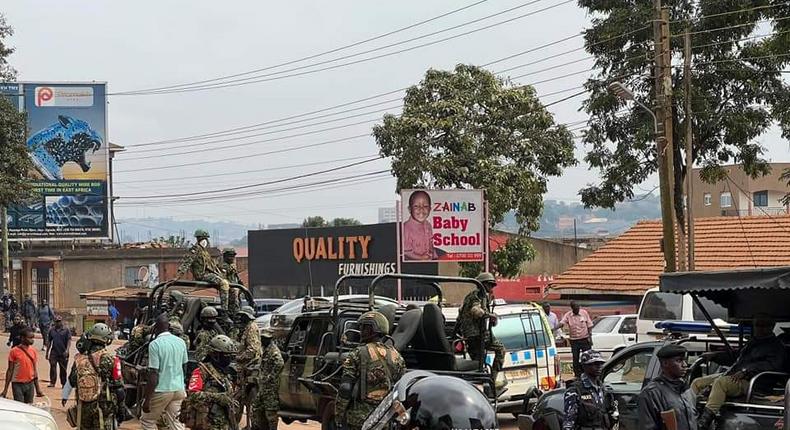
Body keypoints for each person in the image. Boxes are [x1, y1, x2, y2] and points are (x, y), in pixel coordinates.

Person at [692, 315, 785, 429]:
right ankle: (691, 414)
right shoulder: (753, 342)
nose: (760, 328)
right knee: (697, 383)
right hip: (737, 376)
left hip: (755, 382)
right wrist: (714, 356)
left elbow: (773, 365)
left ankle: (704, 422)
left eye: (764, 325)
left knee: (721, 382)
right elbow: (736, 357)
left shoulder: (776, 346)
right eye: (758, 325)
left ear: (772, 327)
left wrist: (746, 370)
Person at [335, 311, 405, 430]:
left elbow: (345, 388)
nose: (361, 331)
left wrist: (339, 415)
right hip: (385, 418)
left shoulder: (357, 353)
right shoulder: (396, 355)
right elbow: (400, 387)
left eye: (364, 328)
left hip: (360, 418)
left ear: (373, 330)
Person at [67, 323, 123, 430]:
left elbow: (72, 381)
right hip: (103, 409)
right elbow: (119, 388)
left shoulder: (79, 359)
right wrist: (121, 409)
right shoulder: (112, 360)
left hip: (83, 408)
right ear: (106, 340)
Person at [457, 272, 506, 389]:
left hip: (478, 334)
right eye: (489, 285)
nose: (491, 288)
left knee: (479, 364)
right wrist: (489, 315)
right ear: (483, 285)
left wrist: (491, 318)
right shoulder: (476, 296)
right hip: (475, 335)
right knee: (498, 351)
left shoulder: (481, 296)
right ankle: (491, 381)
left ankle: (488, 382)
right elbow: (475, 310)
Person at [181, 334, 239, 430]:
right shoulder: (201, 371)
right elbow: (193, 395)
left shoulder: (225, 373)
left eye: (230, 355)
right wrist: (217, 397)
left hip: (224, 422)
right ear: (215, 354)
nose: (228, 358)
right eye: (226, 355)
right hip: (206, 423)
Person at [141, 314, 188, 430]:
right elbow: (185, 367)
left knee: (148, 420)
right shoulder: (181, 342)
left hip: (161, 390)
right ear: (168, 326)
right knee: (175, 423)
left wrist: (147, 400)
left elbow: (154, 374)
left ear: (155, 328)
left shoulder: (155, 344)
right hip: (179, 389)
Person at [638, 344, 696, 430]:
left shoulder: (686, 390)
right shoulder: (651, 393)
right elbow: (647, 426)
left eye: (684, 360)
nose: (684, 365)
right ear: (665, 363)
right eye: (679, 361)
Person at [563, 350, 618, 430]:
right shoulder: (575, 390)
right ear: (584, 366)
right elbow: (569, 422)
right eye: (595, 364)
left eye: (601, 364)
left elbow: (613, 415)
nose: (599, 367)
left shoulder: (603, 389)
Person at [177, 229, 231, 311]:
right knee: (224, 283)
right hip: (203, 275)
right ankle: (225, 311)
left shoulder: (205, 252)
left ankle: (231, 309)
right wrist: (178, 276)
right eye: (203, 238)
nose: (206, 241)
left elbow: (213, 266)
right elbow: (187, 262)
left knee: (230, 286)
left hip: (210, 274)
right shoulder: (195, 249)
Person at [232, 306, 262, 426]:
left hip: (248, 368)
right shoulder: (248, 328)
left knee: (239, 397)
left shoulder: (251, 328)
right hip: (246, 368)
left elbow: (252, 349)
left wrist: (239, 357)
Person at [1, 327, 44, 403]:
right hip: (17, 384)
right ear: (22, 338)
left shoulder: (33, 351)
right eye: (30, 338)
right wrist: (5, 390)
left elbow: (34, 370)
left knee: (29, 407)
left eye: (32, 338)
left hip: (30, 384)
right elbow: (10, 370)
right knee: (20, 406)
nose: (32, 340)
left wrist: (38, 389)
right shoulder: (14, 351)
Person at [252, 328, 284, 430]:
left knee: (271, 413)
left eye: (266, 338)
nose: (264, 340)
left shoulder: (273, 351)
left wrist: (270, 377)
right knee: (256, 408)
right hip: (263, 387)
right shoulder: (265, 349)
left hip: (270, 389)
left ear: (270, 339)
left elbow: (280, 363)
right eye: (263, 338)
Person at [402, 190, 438, 261]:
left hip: (429, 263)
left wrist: (433, 256)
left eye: (425, 206)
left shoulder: (428, 225)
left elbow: (431, 243)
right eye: (416, 206)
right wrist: (421, 258)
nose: (421, 209)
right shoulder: (406, 228)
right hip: (412, 265)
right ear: (410, 209)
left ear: (430, 209)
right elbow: (406, 252)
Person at [560, 301, 594, 378]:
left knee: (587, 357)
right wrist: (554, 328)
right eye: (575, 308)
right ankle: (577, 375)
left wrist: (590, 338)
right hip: (574, 340)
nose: (577, 309)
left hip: (584, 339)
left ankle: (588, 373)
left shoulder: (584, 313)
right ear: (572, 308)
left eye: (578, 307)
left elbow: (589, 325)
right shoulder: (568, 315)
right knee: (575, 358)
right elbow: (562, 323)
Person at [46, 315, 71, 387]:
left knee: (63, 369)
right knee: (52, 366)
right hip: (54, 352)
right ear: (54, 322)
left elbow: (69, 341)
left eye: (59, 321)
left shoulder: (66, 330)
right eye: (56, 322)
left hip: (63, 352)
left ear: (61, 321)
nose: (58, 323)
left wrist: (67, 350)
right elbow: (49, 342)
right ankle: (52, 382)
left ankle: (63, 383)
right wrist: (47, 352)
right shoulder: (52, 330)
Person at [219, 248, 242, 314]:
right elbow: (223, 279)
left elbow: (236, 276)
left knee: (237, 304)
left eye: (233, 256)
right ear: (225, 257)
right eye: (230, 256)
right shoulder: (223, 266)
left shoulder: (232, 265)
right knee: (232, 308)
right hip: (228, 290)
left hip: (236, 289)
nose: (232, 258)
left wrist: (240, 283)